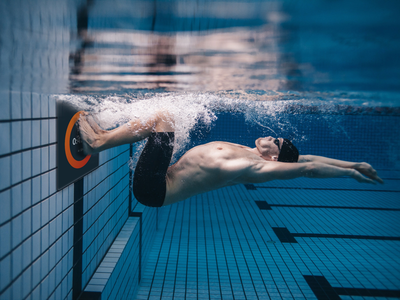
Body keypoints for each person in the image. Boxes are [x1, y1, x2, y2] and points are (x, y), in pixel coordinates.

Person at [78, 111, 383, 207]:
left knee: (164, 118)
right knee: (165, 117)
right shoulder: (250, 151)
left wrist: (349, 177)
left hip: (154, 189)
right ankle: (102, 137)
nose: (271, 135)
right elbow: (310, 157)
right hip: (162, 177)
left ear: (274, 157)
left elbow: (309, 168)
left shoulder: (254, 165)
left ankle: (98, 141)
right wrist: (353, 164)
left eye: (275, 141)